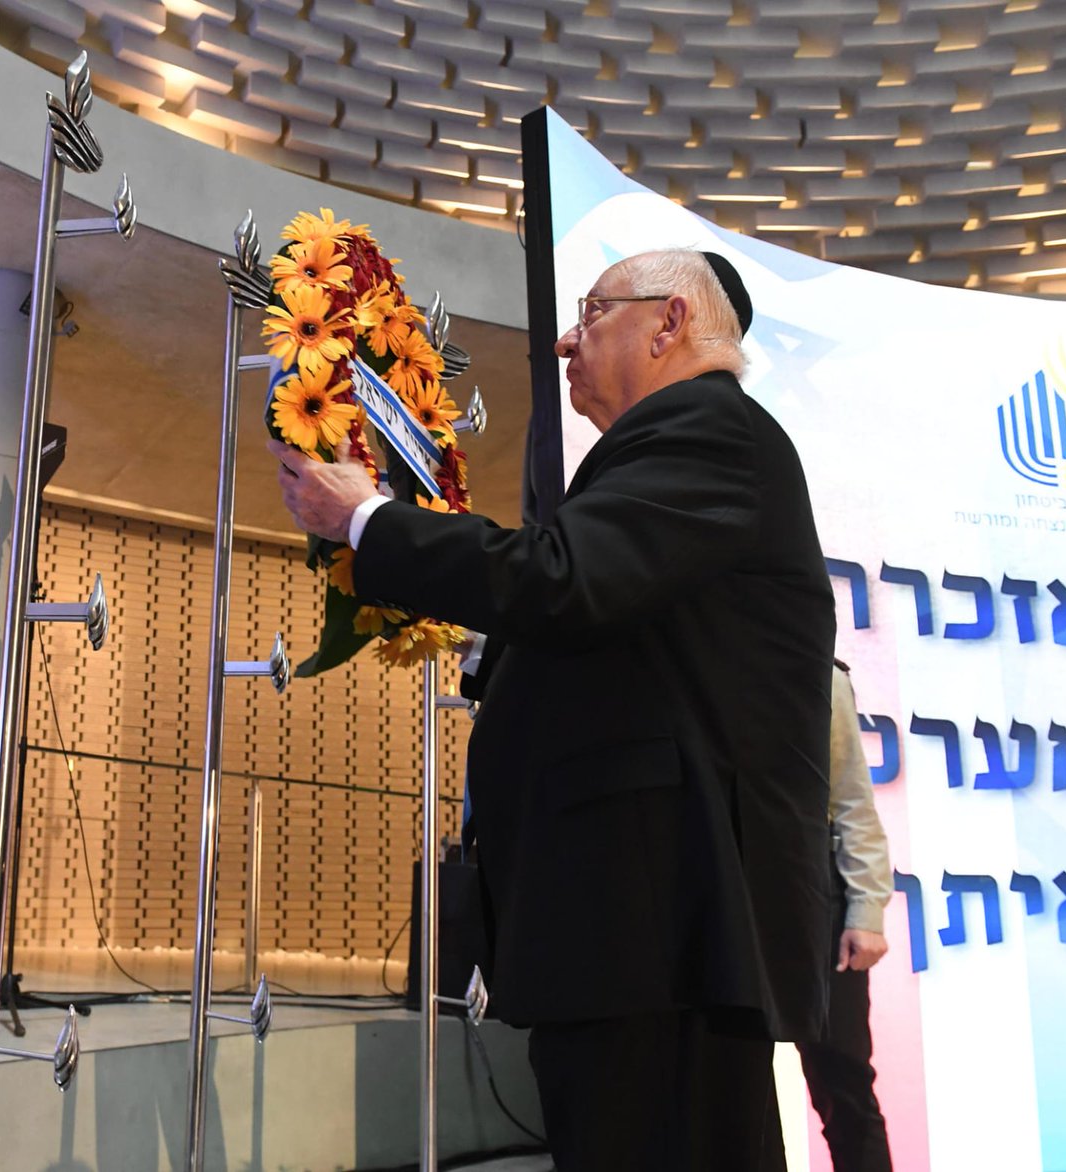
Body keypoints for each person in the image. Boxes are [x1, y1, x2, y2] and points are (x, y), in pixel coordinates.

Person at [270, 248, 835, 1171]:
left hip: (659, 925)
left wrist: (369, 519)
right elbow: (613, 633)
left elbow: (564, 581)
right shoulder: (685, 446)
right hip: (641, 931)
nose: (568, 339)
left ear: (670, 323)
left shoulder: (706, 428)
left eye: (595, 311)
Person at [802, 661, 894, 1171]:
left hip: (818, 891)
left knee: (844, 1083)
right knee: (728, 1086)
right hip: (726, 887)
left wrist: (866, 908)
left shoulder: (820, 671)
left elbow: (852, 798)